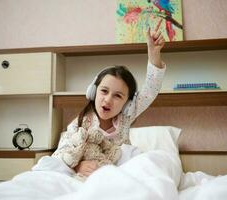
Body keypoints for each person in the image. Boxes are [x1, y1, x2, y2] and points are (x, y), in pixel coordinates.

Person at [52, 18, 166, 178]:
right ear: (93, 92)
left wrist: (153, 53)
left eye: (118, 96)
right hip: (90, 176)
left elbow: (150, 90)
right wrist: (78, 165)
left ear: (127, 104)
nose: (108, 100)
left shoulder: (126, 116)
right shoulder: (80, 124)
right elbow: (60, 156)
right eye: (104, 91)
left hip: (120, 173)